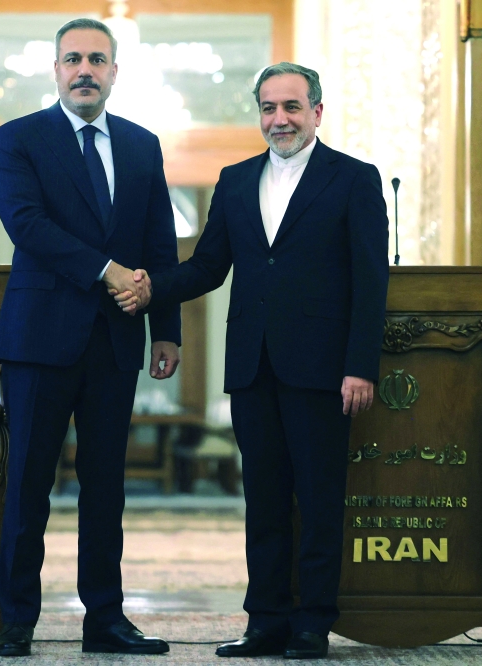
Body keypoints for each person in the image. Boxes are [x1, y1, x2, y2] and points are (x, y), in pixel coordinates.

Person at [114, 62, 389, 660]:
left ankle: (313, 623)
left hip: (323, 371)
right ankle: (265, 621)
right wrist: (150, 287)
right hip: (252, 368)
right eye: (268, 107)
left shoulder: (354, 179)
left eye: (291, 106)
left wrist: (360, 365)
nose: (279, 119)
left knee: (317, 501)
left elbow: (372, 282)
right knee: (263, 500)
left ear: (317, 110)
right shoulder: (235, 180)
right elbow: (208, 267)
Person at [0, 18, 181, 658]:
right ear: (55, 70)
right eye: (73, 59)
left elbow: (158, 240)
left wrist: (166, 327)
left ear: (115, 72)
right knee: (28, 486)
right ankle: (16, 619)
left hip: (117, 340)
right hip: (40, 339)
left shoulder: (141, 144)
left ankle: (106, 621)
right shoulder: (18, 139)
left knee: (106, 490)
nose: (84, 71)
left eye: (97, 60)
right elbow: (27, 225)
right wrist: (108, 272)